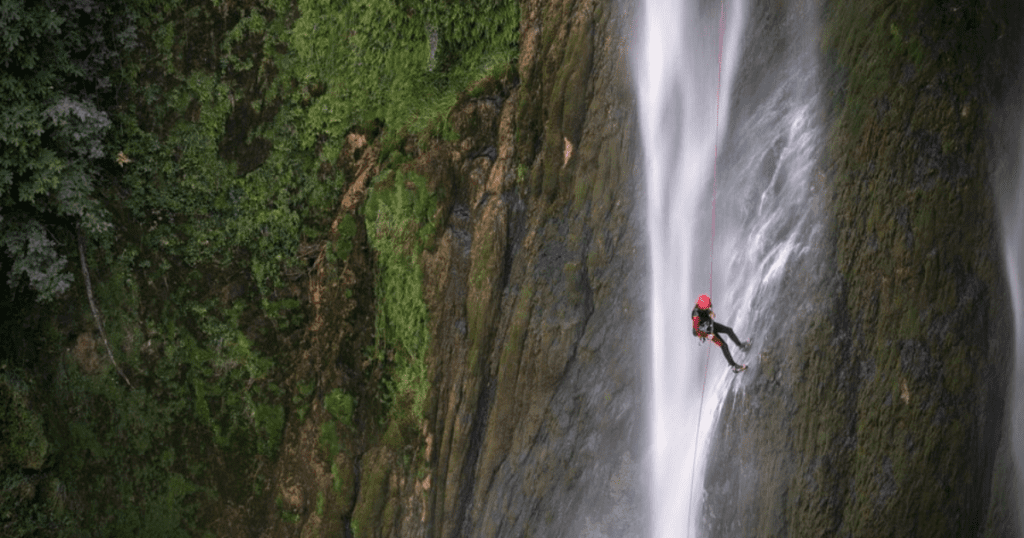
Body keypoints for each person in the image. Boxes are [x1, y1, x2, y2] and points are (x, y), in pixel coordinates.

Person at [691, 294, 751, 373]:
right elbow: (695, 332)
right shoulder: (696, 315)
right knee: (723, 345)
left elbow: (708, 310)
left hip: (712, 325)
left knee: (729, 330)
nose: (708, 307)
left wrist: (710, 313)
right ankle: (734, 367)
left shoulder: (703, 306)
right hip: (707, 332)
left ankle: (740, 346)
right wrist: (706, 336)